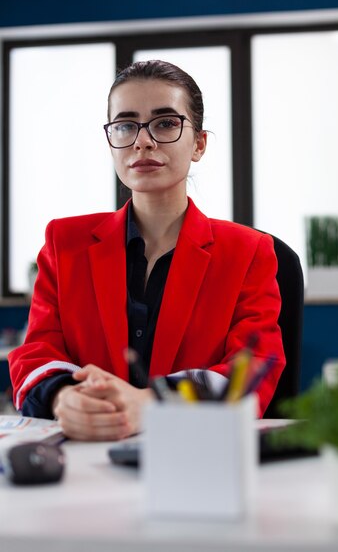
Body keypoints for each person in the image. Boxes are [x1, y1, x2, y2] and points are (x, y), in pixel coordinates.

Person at [8, 60, 285, 441]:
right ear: (111, 143)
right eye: (125, 125)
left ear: (199, 144)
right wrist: (62, 397)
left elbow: (254, 367)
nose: (143, 141)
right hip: (84, 459)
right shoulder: (64, 242)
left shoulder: (248, 251)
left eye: (166, 123)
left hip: (194, 455)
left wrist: (152, 404)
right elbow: (37, 350)